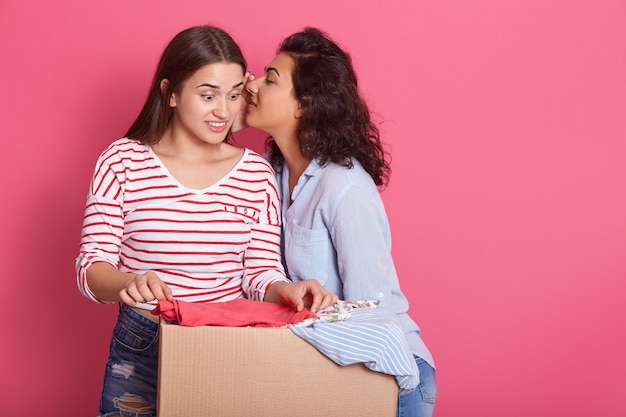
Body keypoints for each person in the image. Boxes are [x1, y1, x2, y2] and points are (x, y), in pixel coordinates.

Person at [76, 25, 335, 417]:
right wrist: (129, 283)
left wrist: (287, 290)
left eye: (234, 95)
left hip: (225, 346)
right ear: (171, 93)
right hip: (144, 340)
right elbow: (91, 268)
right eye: (208, 95)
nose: (224, 111)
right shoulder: (122, 161)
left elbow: (259, 273)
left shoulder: (255, 175)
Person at [243, 27, 437, 417]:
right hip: (324, 369)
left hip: (391, 377)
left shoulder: (344, 186)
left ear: (303, 105)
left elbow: (373, 311)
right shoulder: (268, 176)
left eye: (270, 79)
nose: (251, 83)